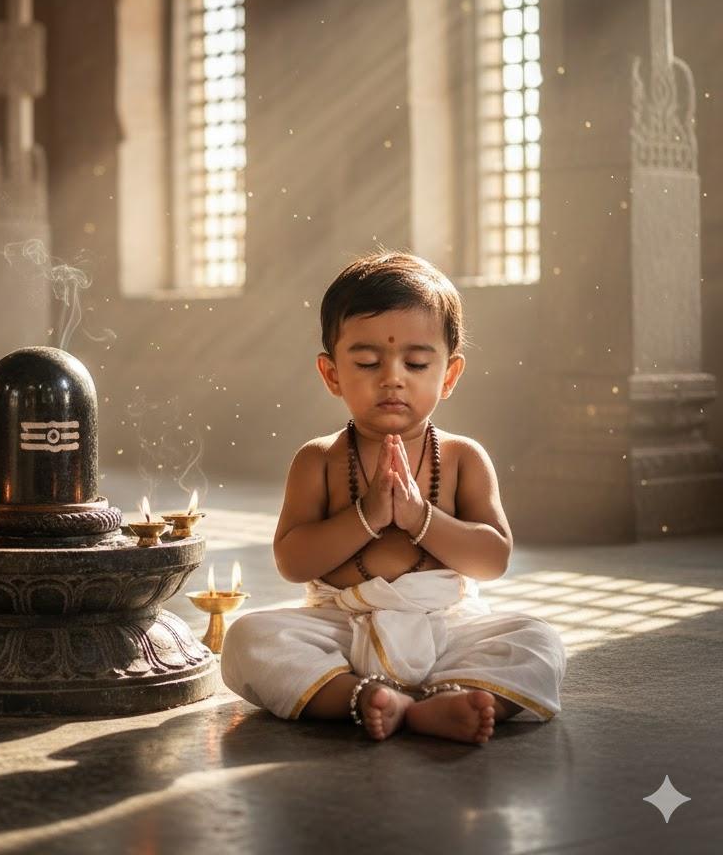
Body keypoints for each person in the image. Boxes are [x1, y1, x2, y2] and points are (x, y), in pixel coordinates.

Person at [220, 251, 566, 744]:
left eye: (418, 362)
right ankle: (363, 697)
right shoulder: (317, 460)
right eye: (366, 361)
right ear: (332, 373)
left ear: (448, 375)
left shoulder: (465, 458)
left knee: (539, 643)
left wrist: (420, 517)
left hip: (446, 628)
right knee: (247, 640)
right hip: (342, 624)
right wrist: (369, 515)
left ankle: (443, 698)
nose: (392, 377)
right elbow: (293, 562)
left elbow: (492, 559)